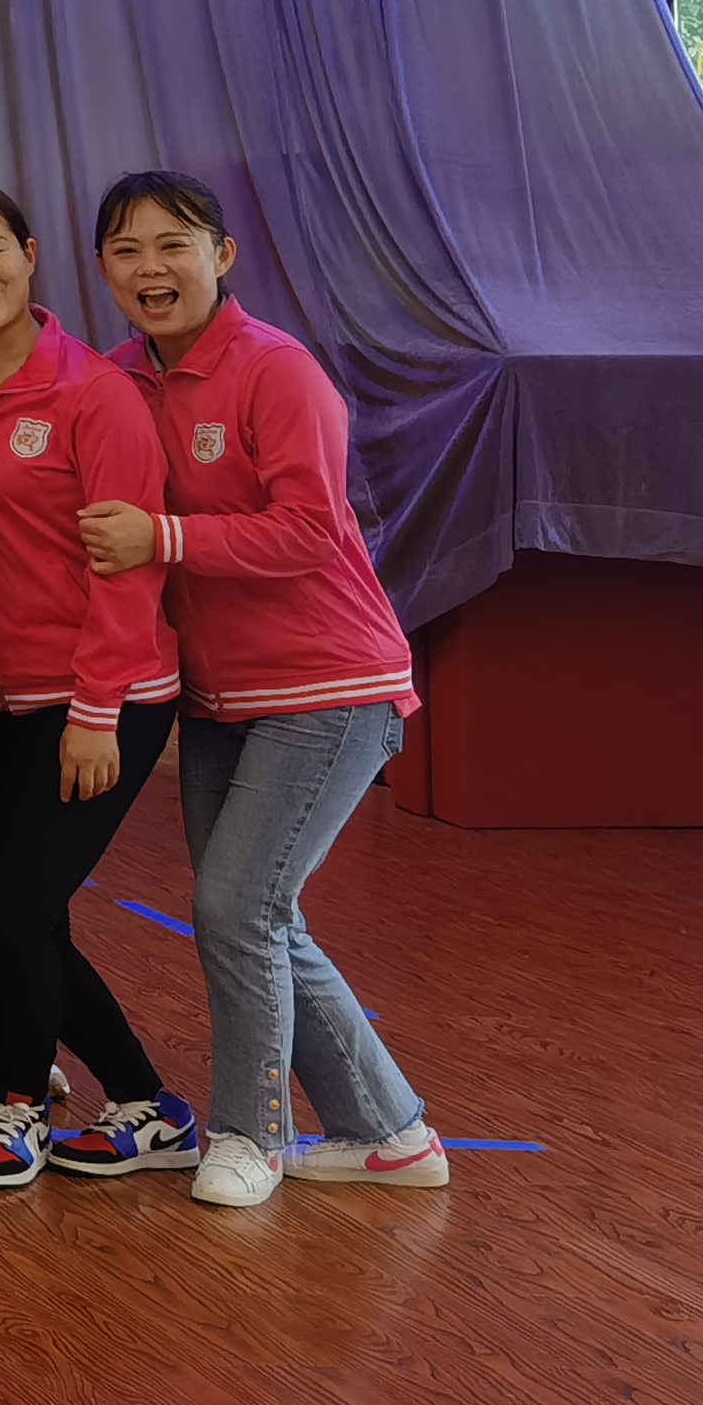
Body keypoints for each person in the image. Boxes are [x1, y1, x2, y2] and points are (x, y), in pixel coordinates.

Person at [86, 171, 445, 1207]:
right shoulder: (117, 376)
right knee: (257, 915)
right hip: (220, 697)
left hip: (332, 684)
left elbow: (308, 532)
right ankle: (391, 1135)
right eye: (125, 251)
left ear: (222, 254)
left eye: (173, 244)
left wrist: (162, 537)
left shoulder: (276, 371)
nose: (150, 268)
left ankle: (250, 1134)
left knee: (238, 905)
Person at [0, 181, 191, 1192]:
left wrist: (95, 712)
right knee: (14, 913)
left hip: (99, 699)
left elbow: (127, 569)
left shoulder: (93, 393)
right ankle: (148, 1103)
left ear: (28, 256)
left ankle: (19, 1103)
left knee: (12, 909)